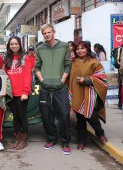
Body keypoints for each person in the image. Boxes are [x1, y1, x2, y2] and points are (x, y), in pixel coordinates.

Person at [35, 24, 72, 155]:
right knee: (46, 116)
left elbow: (68, 65)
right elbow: (37, 67)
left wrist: (62, 80)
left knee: (64, 115)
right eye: (44, 33)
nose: (47, 35)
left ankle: (66, 141)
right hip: (45, 88)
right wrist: (42, 80)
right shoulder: (39, 48)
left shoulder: (64, 46)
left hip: (60, 88)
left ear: (54, 32)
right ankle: (51, 138)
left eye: (49, 32)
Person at [69, 41, 108, 150]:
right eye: (78, 49)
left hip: (89, 94)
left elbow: (102, 78)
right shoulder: (73, 62)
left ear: (87, 49)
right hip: (77, 93)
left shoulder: (94, 62)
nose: (80, 51)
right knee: (80, 119)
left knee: (92, 116)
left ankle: (100, 133)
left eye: (82, 48)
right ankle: (82, 140)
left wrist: (86, 80)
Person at [4, 36, 33, 150]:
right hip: (11, 93)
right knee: (15, 117)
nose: (14, 46)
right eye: (12, 44)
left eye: (16, 44)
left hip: (22, 93)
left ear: (20, 45)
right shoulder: (7, 58)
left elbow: (27, 76)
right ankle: (17, 138)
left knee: (22, 116)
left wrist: (25, 92)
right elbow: (5, 75)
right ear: (9, 46)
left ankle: (24, 139)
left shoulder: (25, 58)